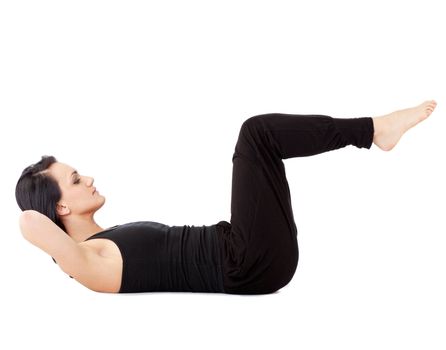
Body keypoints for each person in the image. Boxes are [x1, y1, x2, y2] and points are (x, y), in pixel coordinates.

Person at [15, 100, 438, 295]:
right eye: (74, 179)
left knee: (262, 143)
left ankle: (373, 131)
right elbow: (30, 224)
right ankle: (374, 130)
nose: (87, 177)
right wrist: (44, 221)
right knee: (257, 133)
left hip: (246, 250)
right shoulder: (89, 264)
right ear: (61, 207)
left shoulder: (106, 242)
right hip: (246, 262)